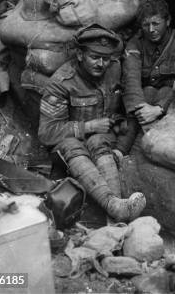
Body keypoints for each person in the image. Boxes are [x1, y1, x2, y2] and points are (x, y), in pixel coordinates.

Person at [38, 24, 146, 222]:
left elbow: (131, 108)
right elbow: (47, 133)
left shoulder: (115, 69)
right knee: (72, 145)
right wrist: (88, 127)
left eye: (105, 58)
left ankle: (116, 213)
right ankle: (114, 207)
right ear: (80, 55)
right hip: (71, 146)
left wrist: (120, 148)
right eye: (95, 57)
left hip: (104, 139)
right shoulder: (62, 82)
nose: (101, 63)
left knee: (97, 141)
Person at [120, 0, 175, 153]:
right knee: (147, 91)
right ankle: (121, 151)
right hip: (143, 101)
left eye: (156, 23)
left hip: (172, 101)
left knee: (164, 91)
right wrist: (142, 110)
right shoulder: (136, 43)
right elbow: (131, 79)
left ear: (168, 21)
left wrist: (159, 109)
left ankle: (126, 149)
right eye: (145, 25)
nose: (151, 29)